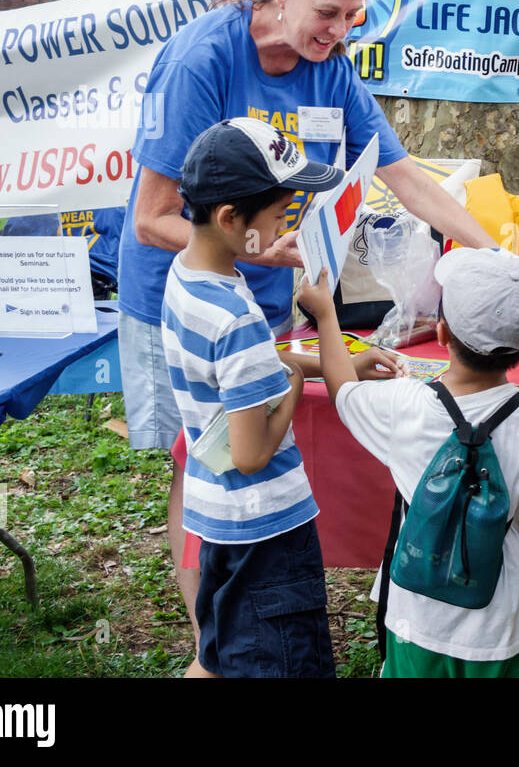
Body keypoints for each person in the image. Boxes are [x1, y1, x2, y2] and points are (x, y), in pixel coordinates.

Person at [117, 0, 497, 647]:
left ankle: (243, 616)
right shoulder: (205, 59)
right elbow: (152, 219)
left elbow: (404, 175)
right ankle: (213, 639)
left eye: (353, 17)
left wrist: (495, 250)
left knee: (251, 448)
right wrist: (266, 252)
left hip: (262, 290)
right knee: (202, 461)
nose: (340, 31)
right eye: (328, 13)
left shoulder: (332, 67)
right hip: (192, 294)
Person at [299, 247, 519, 678]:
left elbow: (342, 391)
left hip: (415, 618)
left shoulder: (405, 404)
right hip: (496, 628)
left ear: (442, 334)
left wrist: (326, 315)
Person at [161, 117, 344, 678]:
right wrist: (291, 387)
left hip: (219, 518)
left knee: (218, 652)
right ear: (230, 218)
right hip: (267, 531)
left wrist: (325, 363)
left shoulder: (190, 277)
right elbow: (250, 454)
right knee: (279, 661)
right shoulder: (235, 316)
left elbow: (241, 372)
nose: (285, 224)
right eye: (278, 213)